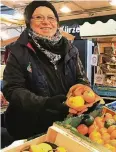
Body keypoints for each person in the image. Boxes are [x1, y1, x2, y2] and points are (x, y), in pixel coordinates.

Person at [2, 1, 90, 140]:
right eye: (38, 17)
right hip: (29, 125)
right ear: (28, 22)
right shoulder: (18, 50)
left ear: (57, 22)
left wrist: (84, 92)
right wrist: (45, 103)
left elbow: (81, 78)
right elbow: (12, 89)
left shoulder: (71, 49)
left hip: (64, 121)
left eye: (51, 18)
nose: (46, 22)